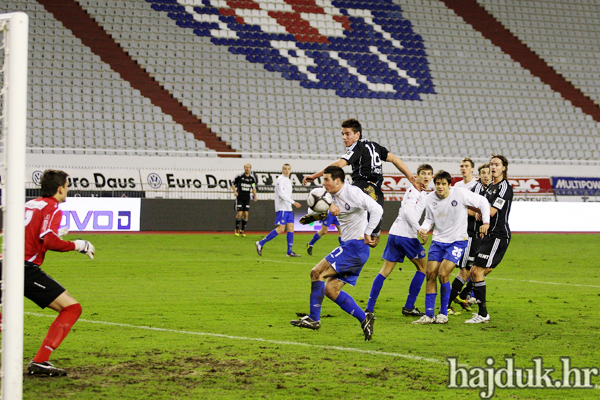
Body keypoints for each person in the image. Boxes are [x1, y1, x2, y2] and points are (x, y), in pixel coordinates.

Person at [0, 170, 95, 376]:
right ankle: (40, 360)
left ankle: (40, 361)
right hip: (23, 269)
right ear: (60, 188)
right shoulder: (53, 207)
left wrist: (47, 237)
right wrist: (78, 245)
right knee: (72, 308)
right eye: (67, 186)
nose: (67, 190)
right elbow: (50, 242)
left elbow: (31, 235)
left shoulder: (30, 204)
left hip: (5, 262)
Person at [291, 166, 383, 341]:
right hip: (353, 249)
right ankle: (365, 319)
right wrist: (316, 216)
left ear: (338, 181)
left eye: (326, 180)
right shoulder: (329, 196)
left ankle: (314, 319)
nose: (323, 183)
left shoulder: (353, 193)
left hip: (355, 247)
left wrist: (369, 232)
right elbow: (318, 210)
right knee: (331, 290)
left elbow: (377, 209)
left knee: (316, 273)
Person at [301, 118, 421, 244]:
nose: (344, 137)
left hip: (362, 187)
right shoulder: (375, 146)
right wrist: (410, 178)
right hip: (374, 191)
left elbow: (338, 164)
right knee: (371, 236)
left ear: (357, 134)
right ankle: (326, 212)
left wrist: (315, 176)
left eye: (347, 134)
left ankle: (323, 212)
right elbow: (395, 159)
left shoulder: (357, 147)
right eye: (343, 134)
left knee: (352, 216)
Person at [413, 170, 490, 325]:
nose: (440, 187)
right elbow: (429, 218)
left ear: (449, 185)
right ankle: (429, 315)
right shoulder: (430, 199)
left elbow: (483, 202)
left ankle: (443, 313)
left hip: (457, 241)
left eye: (443, 184)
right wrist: (423, 228)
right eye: (438, 184)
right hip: (438, 241)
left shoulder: (460, 194)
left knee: (443, 274)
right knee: (430, 273)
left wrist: (486, 222)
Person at [364, 163, 433, 318]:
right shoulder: (414, 191)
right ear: (417, 176)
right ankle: (409, 306)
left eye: (429, 174)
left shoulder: (422, 193)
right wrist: (419, 229)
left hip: (395, 234)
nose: (426, 177)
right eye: (423, 173)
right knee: (423, 269)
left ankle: (369, 308)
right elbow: (409, 212)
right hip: (406, 236)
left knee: (385, 271)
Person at [465, 155, 513, 324]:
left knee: (477, 271)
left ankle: (483, 313)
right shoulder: (490, 187)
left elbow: (491, 212)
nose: (493, 167)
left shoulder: (504, 187)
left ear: (504, 168)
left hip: (498, 236)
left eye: (497, 164)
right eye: (492, 164)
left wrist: (482, 216)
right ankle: (480, 311)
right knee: (473, 271)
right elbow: (480, 207)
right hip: (487, 236)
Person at [452, 163, 492, 312]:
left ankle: (464, 294)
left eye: (488, 173)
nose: (486, 176)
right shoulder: (472, 189)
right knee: (465, 270)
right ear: (479, 175)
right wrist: (477, 214)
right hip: (470, 233)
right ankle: (447, 305)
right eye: (484, 173)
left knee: (486, 268)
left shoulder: (492, 190)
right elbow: (463, 207)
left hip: (484, 236)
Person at [256, 164, 302, 257]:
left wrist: (291, 204)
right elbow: (281, 194)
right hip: (282, 208)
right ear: (282, 170)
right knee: (281, 229)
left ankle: (289, 251)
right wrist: (293, 202)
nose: (286, 171)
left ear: (290, 170)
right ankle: (261, 243)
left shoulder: (288, 180)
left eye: (288, 169)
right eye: (285, 169)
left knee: (291, 228)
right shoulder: (280, 180)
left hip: (288, 208)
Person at [232, 163, 258, 237]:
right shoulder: (240, 176)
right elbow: (232, 183)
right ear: (244, 168)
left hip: (247, 198)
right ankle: (237, 228)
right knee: (239, 214)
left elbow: (253, 187)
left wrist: (255, 196)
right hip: (240, 197)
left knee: (246, 214)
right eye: (246, 167)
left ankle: (243, 229)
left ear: (250, 169)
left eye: (248, 167)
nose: (247, 169)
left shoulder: (252, 178)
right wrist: (235, 191)